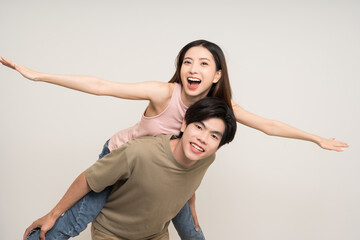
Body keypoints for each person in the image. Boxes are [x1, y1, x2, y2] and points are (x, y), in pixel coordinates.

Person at [0, 40, 348, 240]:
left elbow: (268, 125)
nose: (192, 69)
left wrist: (316, 138)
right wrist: (38, 75)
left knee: (192, 231)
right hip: (123, 160)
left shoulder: (220, 111)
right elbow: (102, 85)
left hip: (167, 173)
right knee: (74, 220)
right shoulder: (166, 93)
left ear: (217, 74)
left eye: (203, 63)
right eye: (187, 62)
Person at [24, 97, 237, 240]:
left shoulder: (206, 158)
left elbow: (184, 182)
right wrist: (52, 215)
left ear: (220, 144)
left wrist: (191, 201)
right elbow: (88, 179)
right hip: (113, 234)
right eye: (199, 127)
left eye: (214, 136)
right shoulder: (139, 153)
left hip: (154, 235)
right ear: (184, 125)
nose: (202, 139)